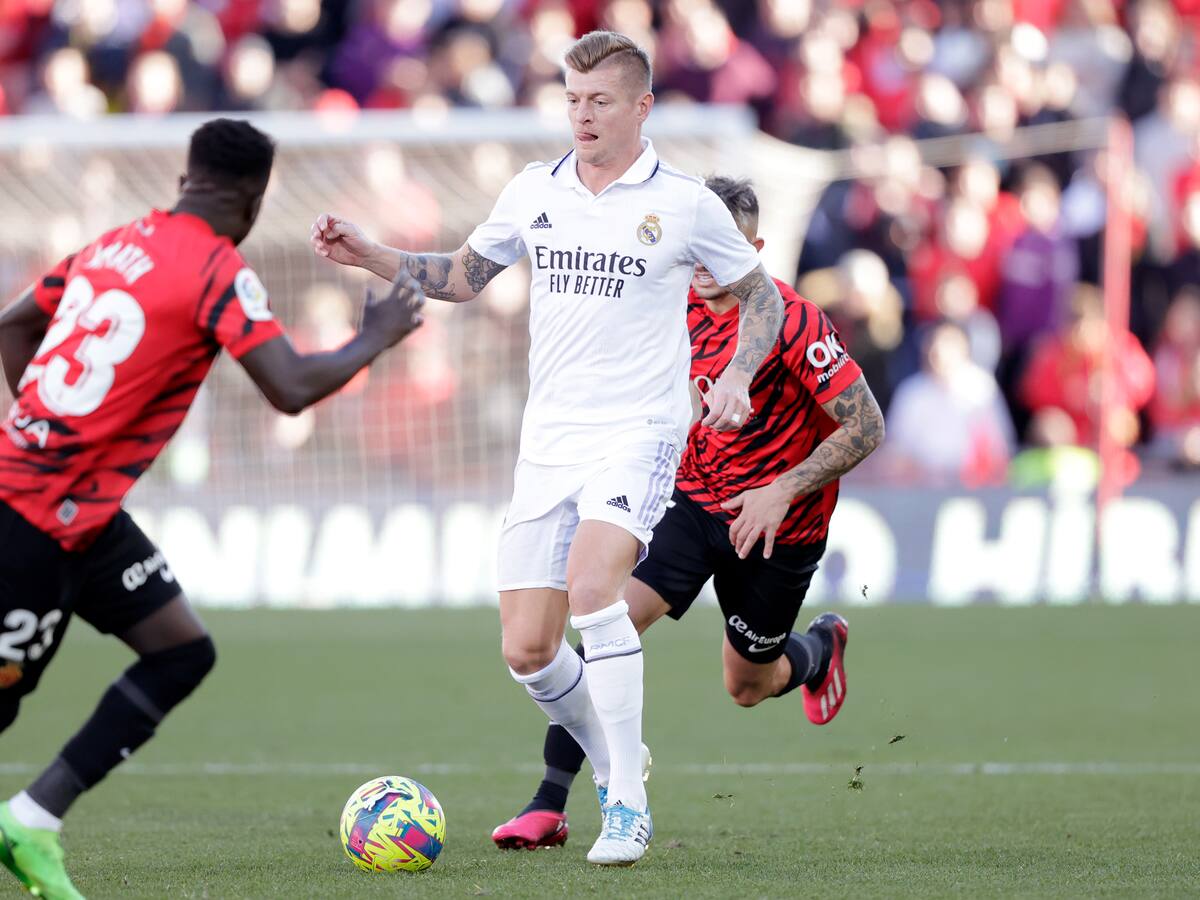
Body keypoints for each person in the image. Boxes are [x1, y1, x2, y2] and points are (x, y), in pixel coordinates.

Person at [311, 31, 785, 865]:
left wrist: (741, 374)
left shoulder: (684, 203)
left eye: (600, 100)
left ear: (641, 106)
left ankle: (626, 808)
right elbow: (462, 275)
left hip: (638, 433)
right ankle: (615, 754)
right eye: (571, 98)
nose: (582, 115)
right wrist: (370, 256)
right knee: (528, 650)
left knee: (595, 589)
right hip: (549, 442)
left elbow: (761, 299)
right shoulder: (536, 190)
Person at [0, 118, 425, 899]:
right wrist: (376, 338)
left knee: (180, 649)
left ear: (184, 179)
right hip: (27, 516)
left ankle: (31, 820)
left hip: (79, 511)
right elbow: (289, 388)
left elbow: (14, 323)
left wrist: (50, 424)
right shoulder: (217, 271)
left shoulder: (114, 243)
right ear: (254, 199)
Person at [488, 175, 884, 850]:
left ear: (753, 247)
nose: (701, 261)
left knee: (747, 685)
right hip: (688, 500)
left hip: (779, 523)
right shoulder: (662, 306)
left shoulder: (792, 319)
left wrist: (780, 490)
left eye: (720, 246)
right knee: (604, 616)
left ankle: (816, 653)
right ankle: (552, 801)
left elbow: (867, 425)